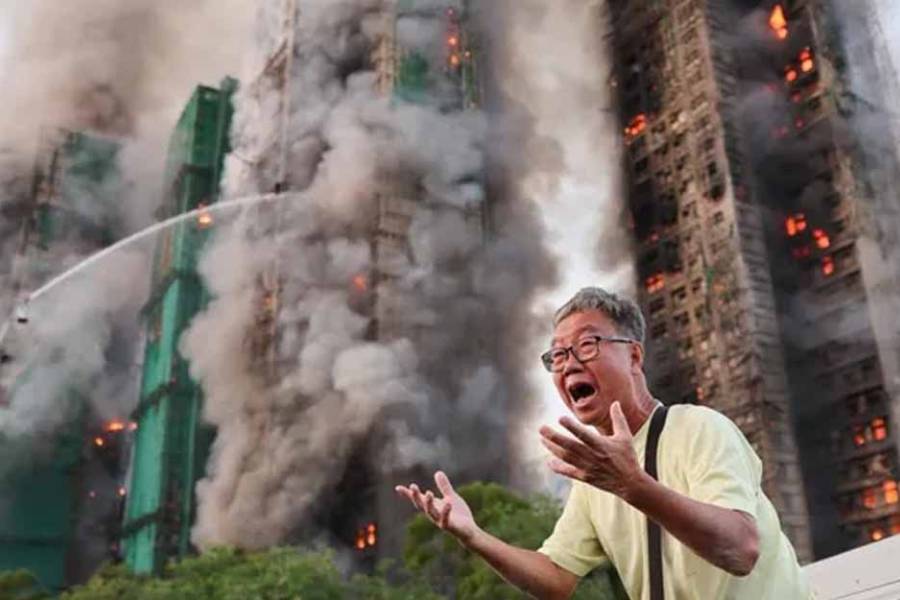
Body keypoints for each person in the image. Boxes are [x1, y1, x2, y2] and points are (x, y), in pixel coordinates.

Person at [396, 287, 811, 599]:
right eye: (557, 355)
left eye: (587, 344)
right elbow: (556, 578)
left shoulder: (699, 428)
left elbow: (740, 549)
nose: (569, 363)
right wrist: (474, 537)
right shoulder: (597, 479)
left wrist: (633, 485)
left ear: (634, 356)